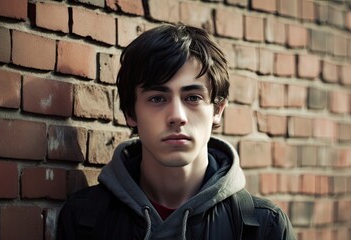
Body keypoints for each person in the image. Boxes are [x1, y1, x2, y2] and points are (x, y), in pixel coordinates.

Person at [57, 23, 295, 240]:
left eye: (193, 97)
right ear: (130, 112)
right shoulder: (83, 218)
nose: (177, 116)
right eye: (158, 98)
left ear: (217, 110)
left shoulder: (265, 226)